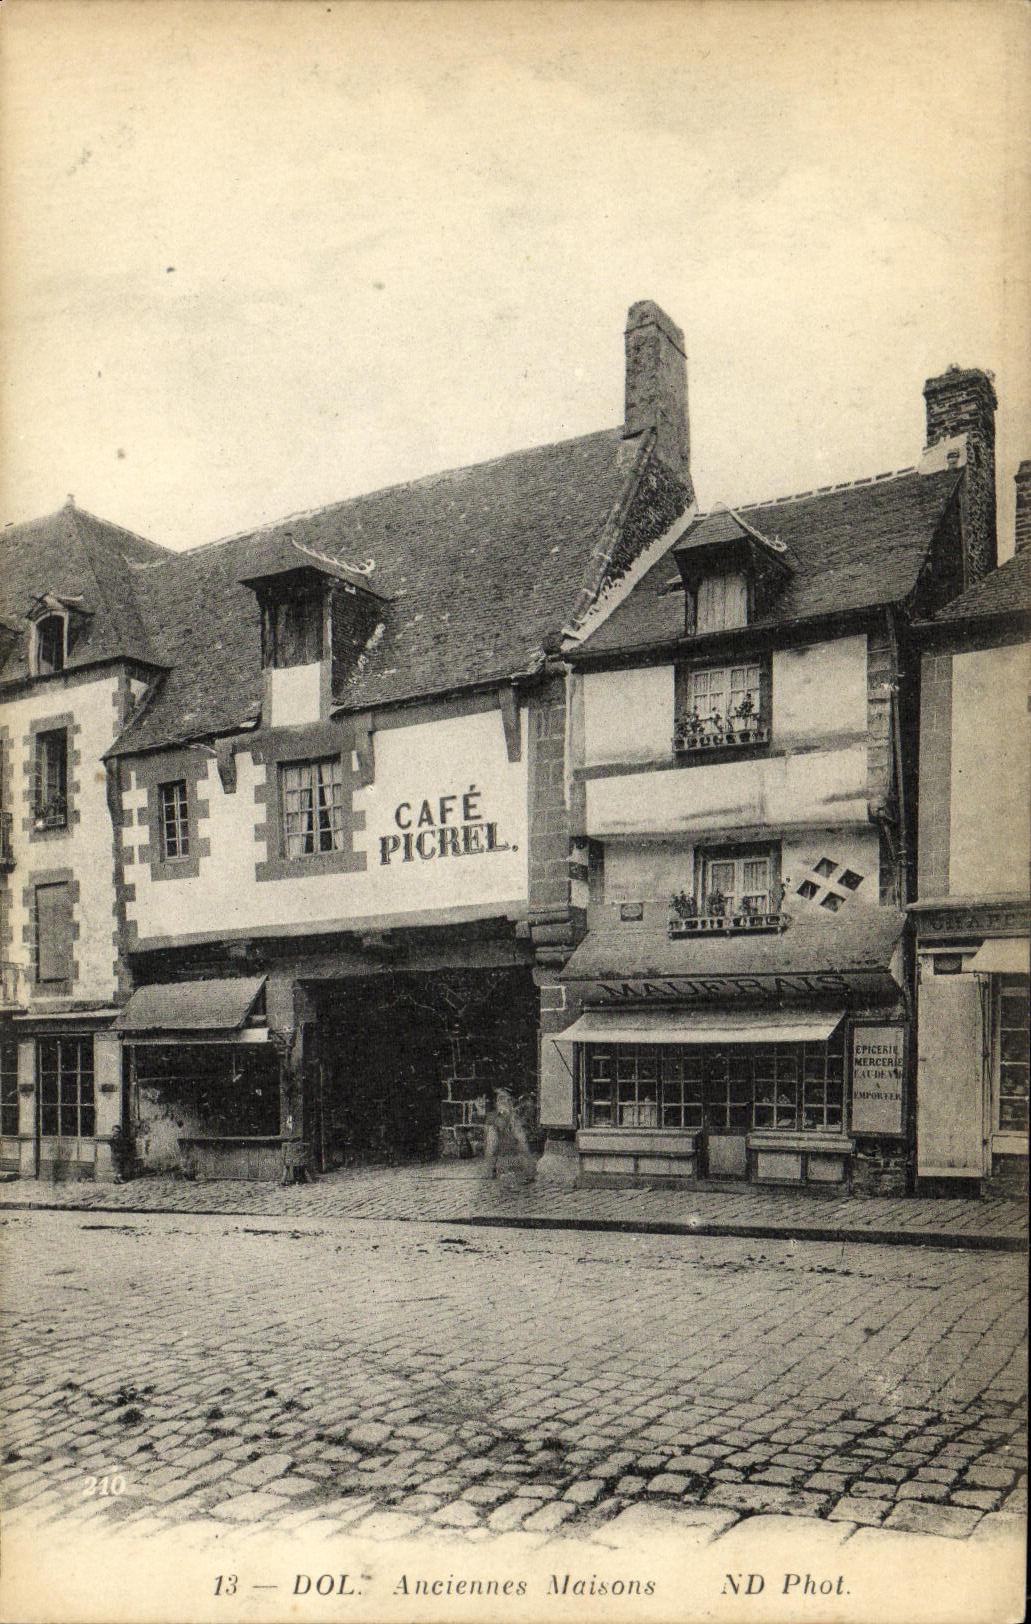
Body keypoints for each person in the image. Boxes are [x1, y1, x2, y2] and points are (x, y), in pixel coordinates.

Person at [482, 1088, 536, 1184]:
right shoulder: (495, 1120)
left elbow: (523, 1144)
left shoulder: (514, 1119)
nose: (505, 1102)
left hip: (513, 1164)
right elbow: (491, 1148)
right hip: (505, 1164)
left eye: (508, 1099)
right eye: (502, 1099)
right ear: (496, 1103)